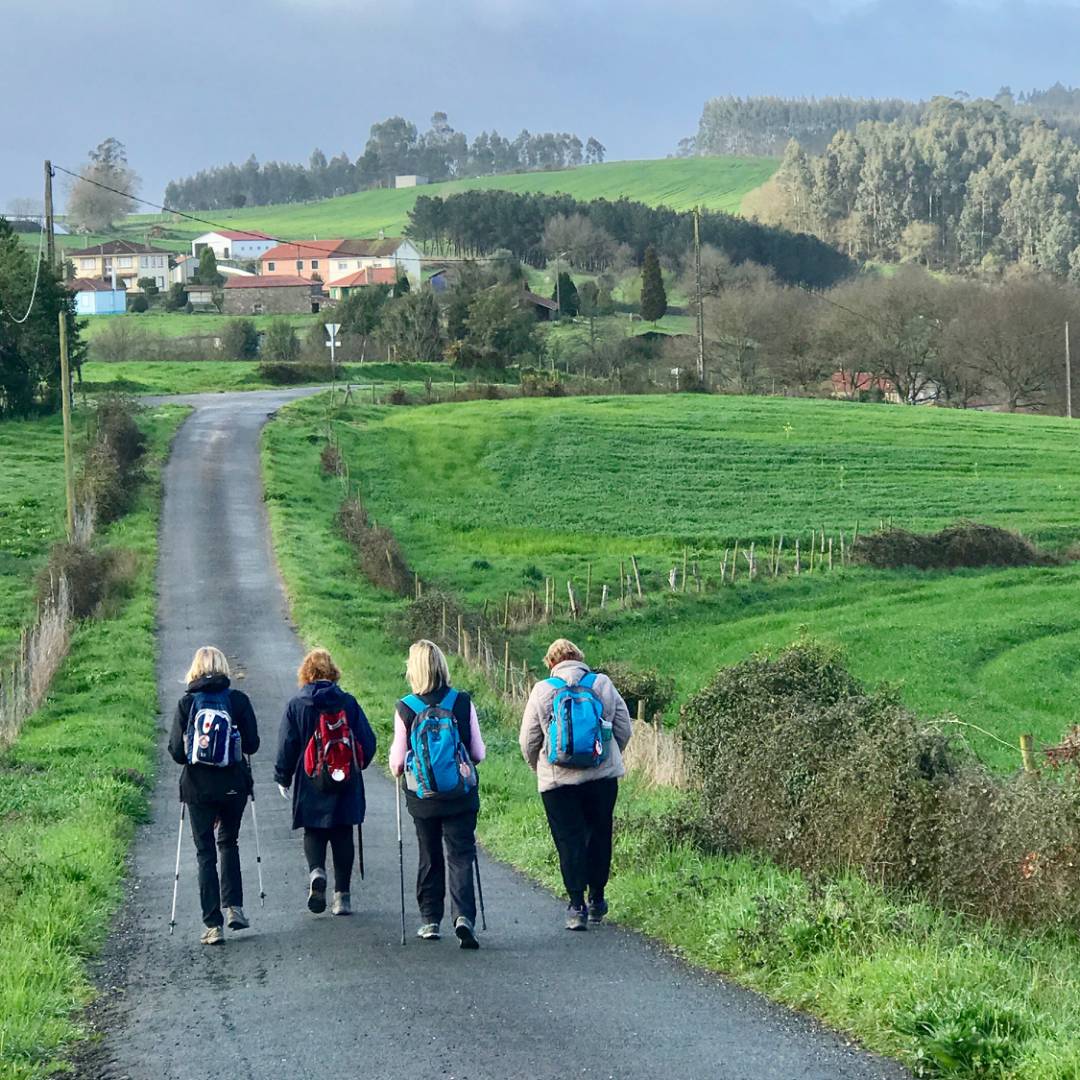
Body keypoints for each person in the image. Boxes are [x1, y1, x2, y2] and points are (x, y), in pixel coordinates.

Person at [519, 638, 632, 931]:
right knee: (599, 834)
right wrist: (608, 756)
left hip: (558, 783)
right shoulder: (602, 684)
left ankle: (576, 905)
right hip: (602, 779)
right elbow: (624, 728)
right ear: (580, 658)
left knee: (568, 840)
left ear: (550, 663)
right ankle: (597, 898)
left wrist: (540, 767)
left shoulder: (543, 690)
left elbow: (528, 740)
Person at [390, 640, 486, 949]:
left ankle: (430, 920)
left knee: (428, 853)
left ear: (413, 669)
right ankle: (463, 918)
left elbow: (395, 762)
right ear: (442, 665)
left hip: (423, 798)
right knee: (460, 854)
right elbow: (477, 752)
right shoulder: (461, 702)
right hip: (460, 794)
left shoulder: (406, 707)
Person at [167, 645, 260, 946]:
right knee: (229, 842)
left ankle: (212, 926)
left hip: (197, 788)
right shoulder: (237, 700)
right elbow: (253, 745)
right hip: (233, 785)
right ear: (223, 667)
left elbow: (178, 754)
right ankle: (234, 907)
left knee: (205, 852)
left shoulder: (186, 704)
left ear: (194, 669)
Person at [274, 648, 376, 917]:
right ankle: (342, 897)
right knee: (343, 833)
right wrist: (356, 766)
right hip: (346, 781)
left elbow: (287, 744)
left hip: (311, 781)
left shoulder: (297, 705)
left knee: (314, 831)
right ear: (333, 672)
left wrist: (283, 776)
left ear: (306, 673)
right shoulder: (349, 703)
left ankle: (317, 871)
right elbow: (368, 742)